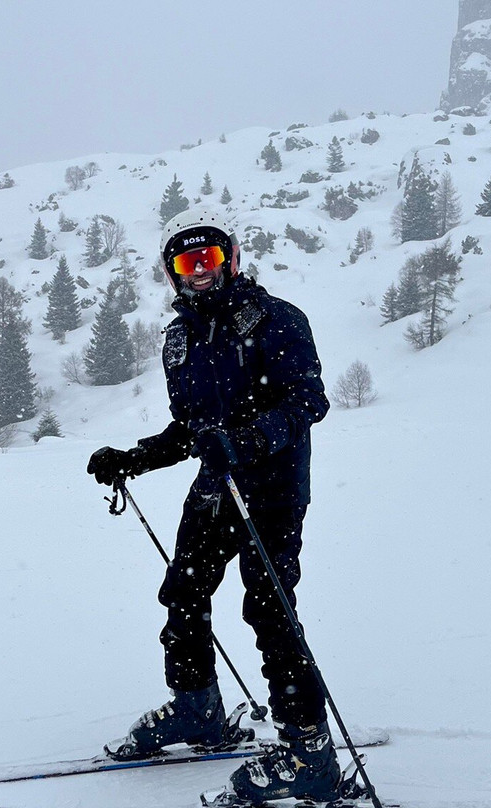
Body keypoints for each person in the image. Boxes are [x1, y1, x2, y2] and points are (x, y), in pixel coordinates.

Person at [87, 208, 337, 803]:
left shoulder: (276, 319)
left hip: (271, 489)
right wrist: (135, 458)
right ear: (172, 273)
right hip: (215, 488)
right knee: (183, 593)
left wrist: (247, 442)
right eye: (186, 263)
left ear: (231, 259)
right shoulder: (180, 337)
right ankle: (196, 711)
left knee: (269, 608)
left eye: (210, 259)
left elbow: (308, 400)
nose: (200, 273)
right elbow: (190, 427)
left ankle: (309, 752)